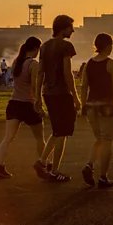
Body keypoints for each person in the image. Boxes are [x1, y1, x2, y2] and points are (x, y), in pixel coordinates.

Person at [34, 15, 81, 183]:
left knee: (56, 131)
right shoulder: (66, 46)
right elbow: (68, 73)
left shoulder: (45, 46)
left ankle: (42, 161)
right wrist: (76, 97)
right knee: (63, 133)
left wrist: (37, 95)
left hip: (48, 92)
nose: (73, 30)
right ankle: (54, 170)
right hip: (62, 93)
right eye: (70, 27)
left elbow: (40, 72)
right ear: (63, 28)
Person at [81, 33, 113, 188]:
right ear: (108, 46)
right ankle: (103, 176)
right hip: (106, 107)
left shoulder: (89, 63)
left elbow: (84, 86)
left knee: (99, 139)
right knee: (107, 142)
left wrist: (84, 105)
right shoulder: (111, 63)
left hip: (92, 107)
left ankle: (90, 164)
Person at [0, 37, 48, 178]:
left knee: (8, 138)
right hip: (28, 104)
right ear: (36, 49)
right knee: (39, 138)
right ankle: (44, 163)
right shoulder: (33, 64)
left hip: (14, 103)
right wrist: (39, 104)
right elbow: (35, 87)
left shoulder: (17, 62)